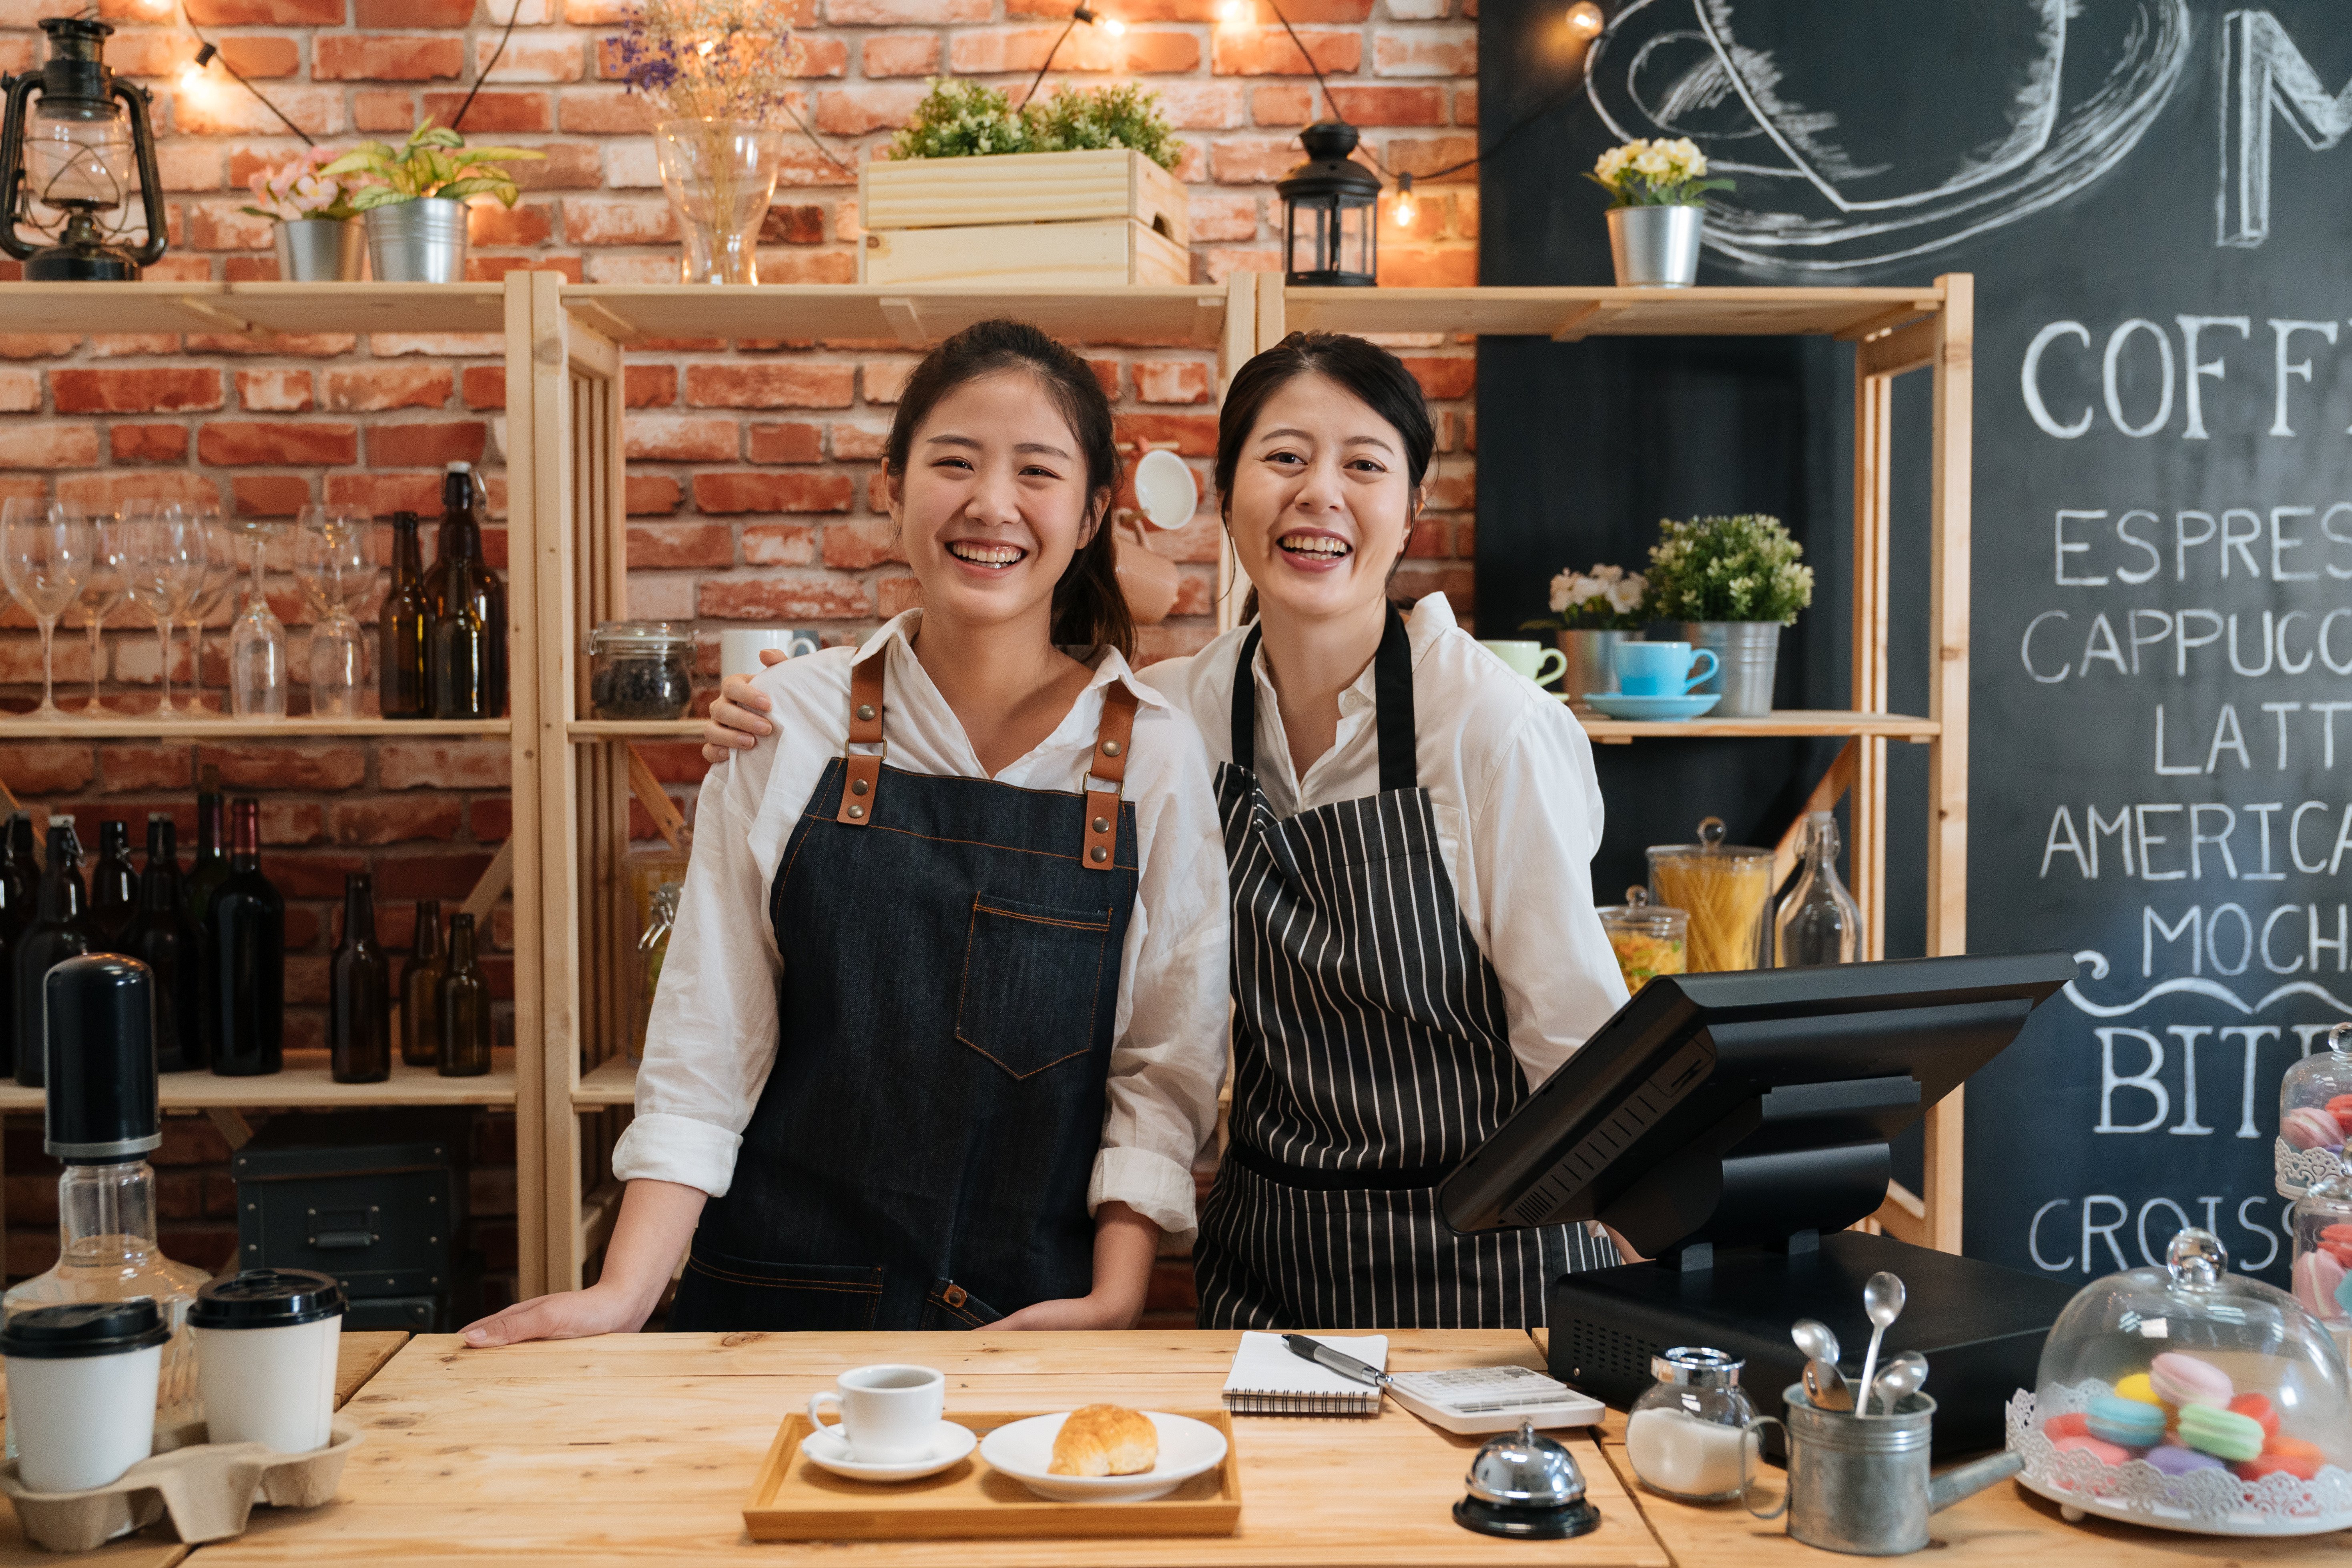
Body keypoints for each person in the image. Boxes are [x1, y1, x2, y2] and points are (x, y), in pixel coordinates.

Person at [703, 332, 1628, 1330]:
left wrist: (1668, 1271)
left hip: (1484, 1268)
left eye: (1363, 464)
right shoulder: (1182, 714)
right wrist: (785, 713)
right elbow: (992, 687)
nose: (1319, 493)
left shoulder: (1495, 729)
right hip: (1275, 1264)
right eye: (1283, 458)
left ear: (1410, 513)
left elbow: (1573, 1034)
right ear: (1225, 500)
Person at [464, 320, 1228, 1344]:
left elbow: (1162, 1064)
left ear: (1091, 515)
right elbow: (710, 1031)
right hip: (768, 1316)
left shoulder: (1154, 755)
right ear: (891, 484)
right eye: (953, 462)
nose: (990, 505)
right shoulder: (791, 720)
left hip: (1025, 1324)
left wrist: (1115, 1297)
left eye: (1035, 472)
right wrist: (623, 1296)